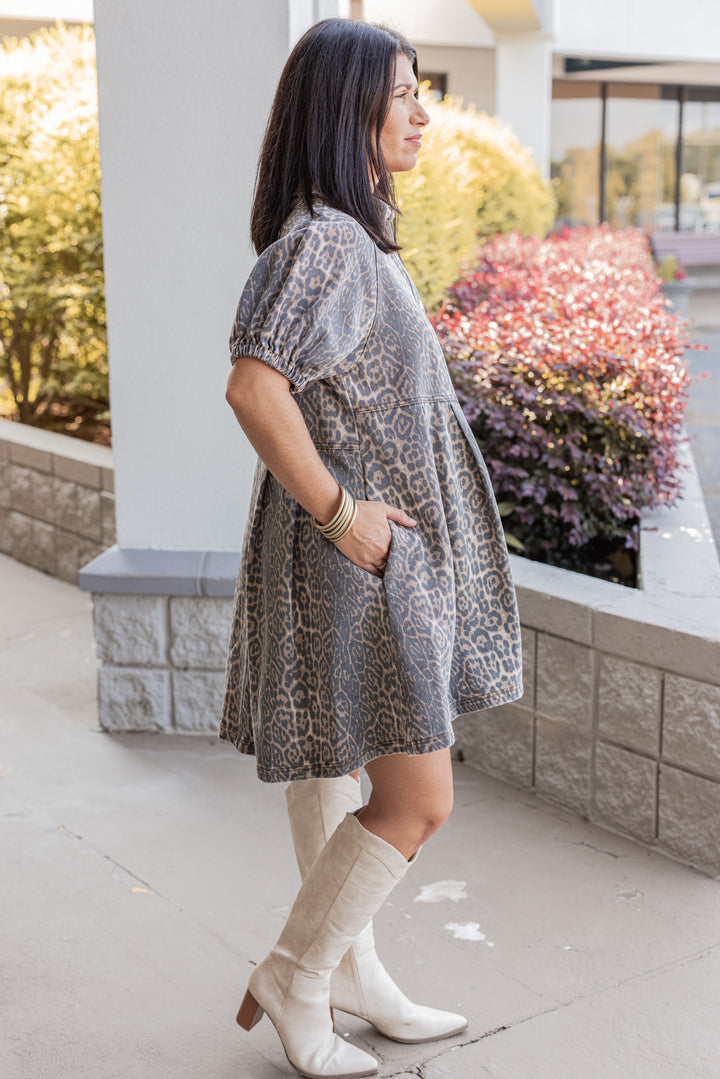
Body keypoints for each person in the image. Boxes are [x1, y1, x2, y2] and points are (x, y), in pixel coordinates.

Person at [219, 17, 523, 1079]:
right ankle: (296, 976)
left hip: (360, 562)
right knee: (416, 798)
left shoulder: (337, 232)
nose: (423, 111)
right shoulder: (330, 243)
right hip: (361, 562)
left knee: (338, 771)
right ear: (345, 109)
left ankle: (353, 978)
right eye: (403, 93)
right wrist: (348, 518)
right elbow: (255, 387)